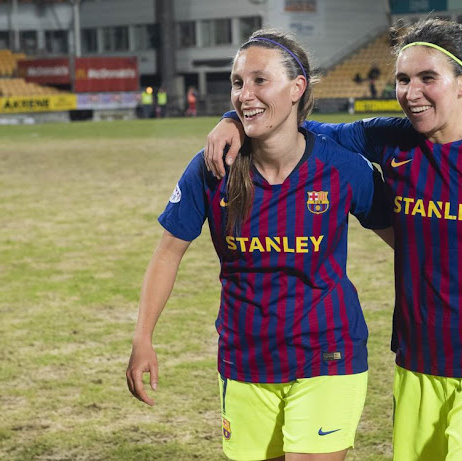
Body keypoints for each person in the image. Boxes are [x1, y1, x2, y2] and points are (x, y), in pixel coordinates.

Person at [202, 18, 462, 461]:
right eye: (403, 79)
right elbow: (299, 130)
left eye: (427, 77)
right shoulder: (391, 140)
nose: (411, 92)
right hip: (418, 362)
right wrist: (233, 121)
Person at [126, 29, 394, 461]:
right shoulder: (213, 168)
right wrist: (142, 338)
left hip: (328, 350)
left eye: (259, 80)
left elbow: (408, 241)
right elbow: (168, 252)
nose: (244, 94)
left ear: (297, 87)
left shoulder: (341, 168)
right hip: (245, 357)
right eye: (237, 83)